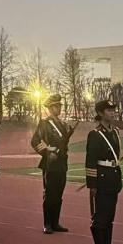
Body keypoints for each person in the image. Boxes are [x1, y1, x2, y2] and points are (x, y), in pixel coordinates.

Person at [85, 100, 123, 244]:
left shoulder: (115, 132)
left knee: (110, 217)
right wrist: (92, 184)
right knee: (100, 217)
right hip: (101, 179)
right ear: (100, 113)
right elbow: (90, 161)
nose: (112, 113)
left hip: (113, 178)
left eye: (113, 110)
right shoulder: (95, 134)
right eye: (108, 110)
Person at [31, 93, 74, 234]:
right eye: (56, 106)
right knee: (50, 194)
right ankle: (47, 223)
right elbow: (35, 141)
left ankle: (55, 222)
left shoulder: (63, 125)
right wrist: (47, 153)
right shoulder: (45, 124)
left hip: (61, 162)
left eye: (59, 106)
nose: (59, 108)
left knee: (59, 193)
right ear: (50, 108)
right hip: (50, 163)